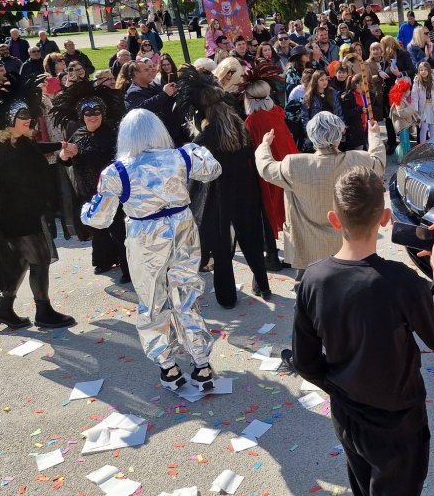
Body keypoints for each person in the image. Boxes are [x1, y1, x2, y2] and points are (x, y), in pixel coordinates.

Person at [289, 166, 434, 496]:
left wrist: (342, 387)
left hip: (348, 417)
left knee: (363, 485)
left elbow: (304, 362)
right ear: (385, 219)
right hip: (399, 424)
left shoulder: (312, 279)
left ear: (335, 219)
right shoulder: (401, 282)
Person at [81, 108, 221, 391]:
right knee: (185, 295)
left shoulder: (118, 171)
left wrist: (86, 209)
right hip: (183, 229)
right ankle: (201, 363)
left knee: (152, 300)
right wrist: (197, 145)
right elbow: (213, 169)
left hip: (145, 237)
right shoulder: (181, 157)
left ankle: (168, 366)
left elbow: (98, 218)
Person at [0, 88, 76, 330]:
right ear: (9, 119)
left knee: (22, 261)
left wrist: (61, 145)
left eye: (30, 115)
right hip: (14, 215)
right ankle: (44, 311)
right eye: (23, 115)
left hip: (28, 210)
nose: (29, 119)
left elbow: (38, 149)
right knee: (40, 258)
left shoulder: (22, 139)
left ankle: (4, 309)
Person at [176, 67, 272, 306]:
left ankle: (227, 296)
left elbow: (193, 168)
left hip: (219, 197)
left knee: (221, 247)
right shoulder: (239, 125)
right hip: (247, 192)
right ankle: (263, 283)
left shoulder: (206, 136)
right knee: (251, 240)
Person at [255, 112, 385, 283]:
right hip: (347, 246)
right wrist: (374, 135)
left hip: (309, 249)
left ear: (311, 135)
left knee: (307, 293)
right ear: (340, 134)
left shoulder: (294, 165)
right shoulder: (358, 160)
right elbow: (379, 163)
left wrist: (264, 145)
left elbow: (266, 167)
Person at [51, 81, 127, 280]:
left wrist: (82, 154)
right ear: (81, 116)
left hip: (111, 191)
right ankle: (104, 260)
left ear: (103, 113)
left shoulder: (112, 134)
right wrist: (66, 155)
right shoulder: (78, 133)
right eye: (88, 113)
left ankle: (128, 267)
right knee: (97, 228)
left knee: (118, 229)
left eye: (96, 112)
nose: (92, 116)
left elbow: (117, 161)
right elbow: (64, 160)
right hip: (88, 190)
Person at [243, 64, 298, 272]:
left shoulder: (252, 121)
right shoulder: (277, 112)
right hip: (289, 165)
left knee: (270, 211)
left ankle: (273, 257)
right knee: (290, 210)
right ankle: (294, 255)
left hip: (268, 170)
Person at [411, 62, 434, 145]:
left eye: (426, 70)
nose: (423, 72)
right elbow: (414, 96)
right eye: (421, 70)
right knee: (423, 128)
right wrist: (415, 110)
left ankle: (433, 146)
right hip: (423, 109)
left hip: (433, 108)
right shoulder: (417, 81)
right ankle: (422, 146)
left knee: (433, 128)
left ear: (429, 70)